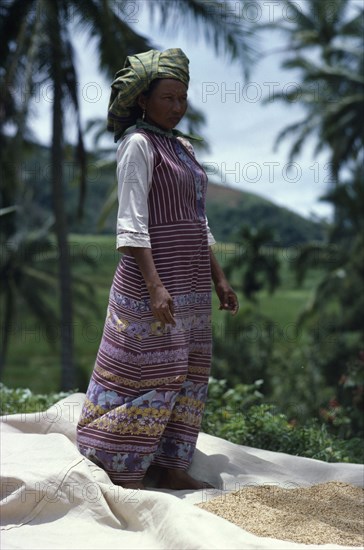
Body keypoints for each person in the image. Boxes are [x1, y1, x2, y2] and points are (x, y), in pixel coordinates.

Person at [76, 48, 239, 490]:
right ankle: (120, 464)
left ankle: (169, 463)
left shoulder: (182, 148)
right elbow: (131, 224)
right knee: (146, 369)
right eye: (168, 97)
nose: (177, 106)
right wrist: (154, 286)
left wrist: (218, 278)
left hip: (189, 283)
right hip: (153, 282)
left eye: (183, 97)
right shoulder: (137, 144)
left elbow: (198, 220)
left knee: (188, 371)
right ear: (142, 100)